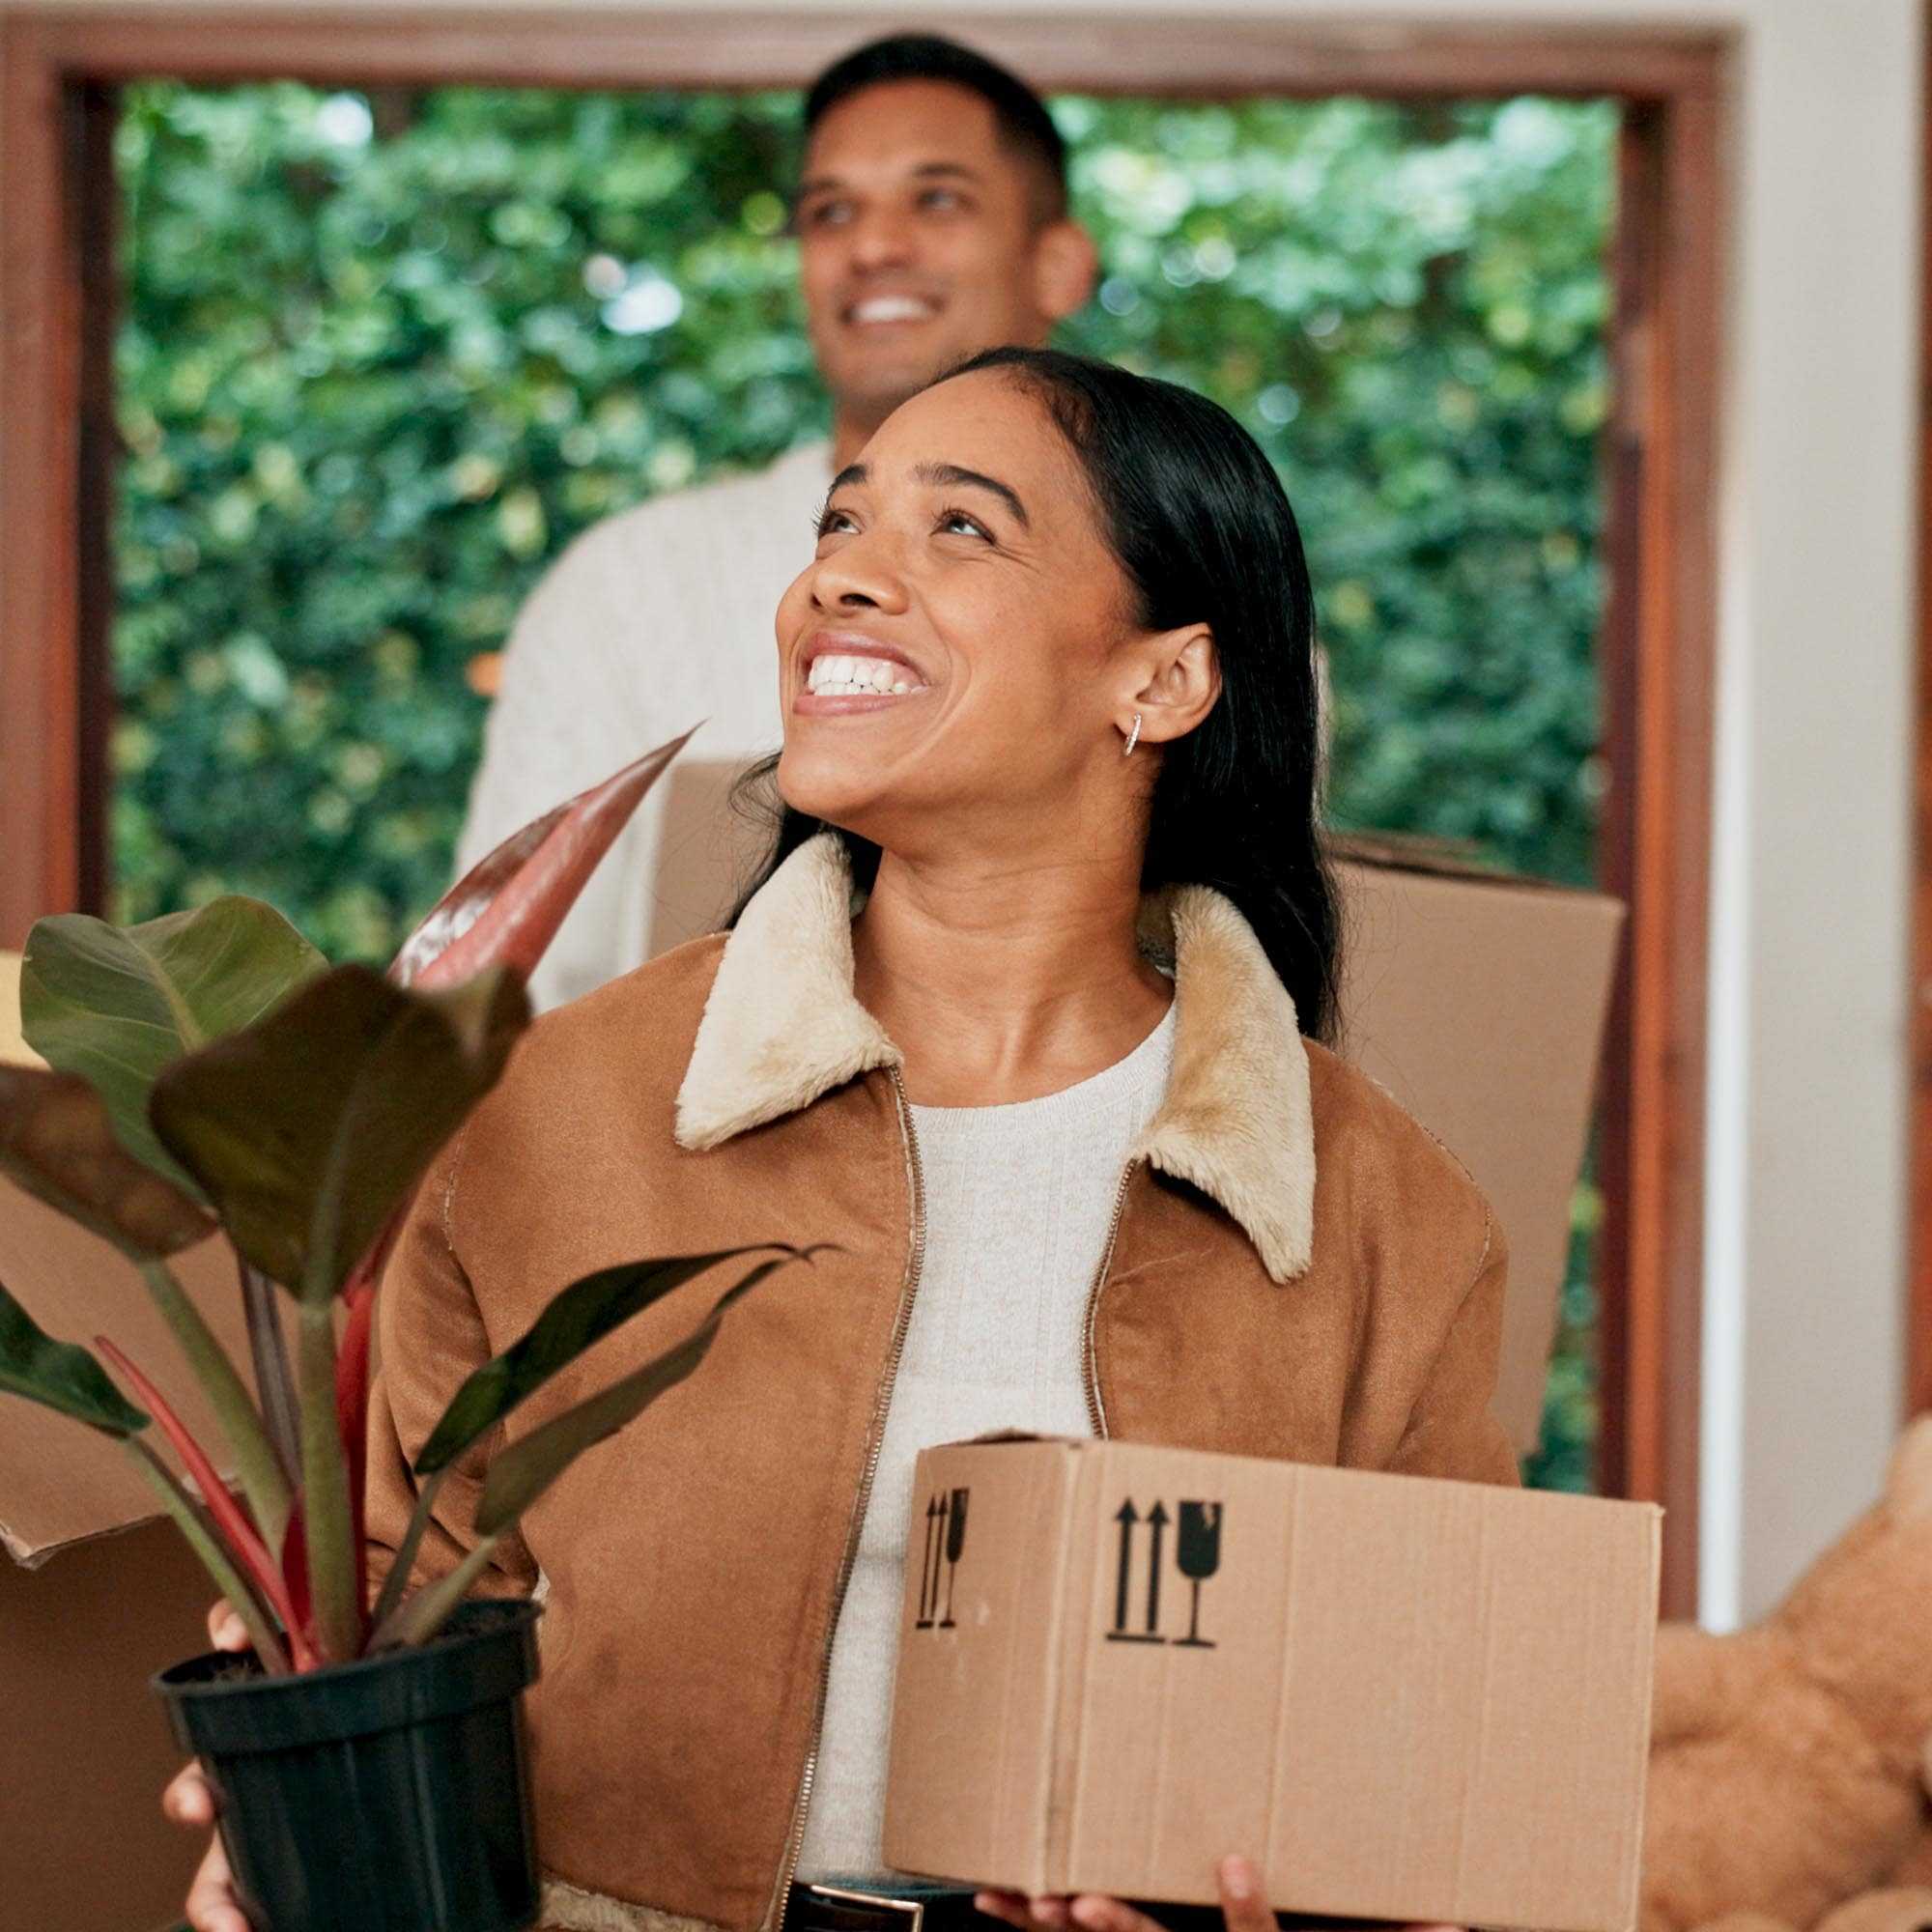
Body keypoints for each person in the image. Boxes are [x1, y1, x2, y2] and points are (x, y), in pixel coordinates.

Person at [167, 348, 1509, 1932]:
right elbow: (397, 1602)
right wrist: (295, 1807)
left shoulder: (1382, 1213)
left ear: (1161, 682)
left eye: (962, 528)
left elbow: (1416, 1769)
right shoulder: (550, 1112)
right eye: (840, 522)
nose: (842, 579)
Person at [461, 35, 1098, 1009]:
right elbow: (497, 994)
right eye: (831, 212)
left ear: (1056, 263)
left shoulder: (1179, 586)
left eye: (936, 200)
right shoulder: (625, 582)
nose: (872, 248)